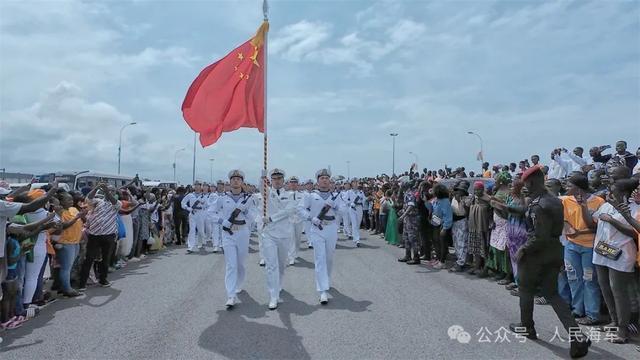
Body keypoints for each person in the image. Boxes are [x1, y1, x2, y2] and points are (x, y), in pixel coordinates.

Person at [509, 165, 591, 359]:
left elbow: (539, 236)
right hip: (554, 251)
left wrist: (523, 249)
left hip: (537, 253)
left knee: (526, 290)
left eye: (526, 183)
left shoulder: (539, 205)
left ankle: (527, 327)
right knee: (552, 294)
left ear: (531, 182)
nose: (525, 187)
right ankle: (577, 335)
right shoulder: (553, 200)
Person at [591, 177, 639, 343]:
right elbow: (594, 220)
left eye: (613, 190)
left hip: (621, 253)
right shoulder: (605, 205)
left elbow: (634, 232)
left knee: (619, 292)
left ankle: (623, 330)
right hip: (601, 251)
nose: (609, 192)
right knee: (605, 288)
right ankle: (614, 320)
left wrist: (612, 220)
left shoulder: (634, 208)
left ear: (624, 193)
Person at [561, 173, 604, 326]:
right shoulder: (566, 201)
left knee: (589, 280)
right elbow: (565, 220)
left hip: (589, 246)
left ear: (578, 187)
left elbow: (594, 226)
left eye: (569, 184)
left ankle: (592, 314)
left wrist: (583, 206)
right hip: (571, 246)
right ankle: (577, 309)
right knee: (573, 278)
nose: (566, 187)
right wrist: (569, 228)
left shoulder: (598, 202)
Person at [212, 170, 257, 308]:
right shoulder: (222, 198)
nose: (236, 181)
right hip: (228, 233)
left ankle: (239, 284)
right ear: (229, 182)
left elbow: (255, 217)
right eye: (233, 179)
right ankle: (231, 295)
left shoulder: (249, 198)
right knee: (231, 265)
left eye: (239, 178)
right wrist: (221, 221)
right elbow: (210, 212)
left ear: (242, 182)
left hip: (243, 232)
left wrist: (245, 210)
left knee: (240, 263)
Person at [297, 169, 340, 305]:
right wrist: (311, 217)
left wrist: (337, 206)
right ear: (317, 180)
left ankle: (326, 280)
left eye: (327, 178)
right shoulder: (311, 196)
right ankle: (322, 290)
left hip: (331, 227)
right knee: (320, 258)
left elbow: (344, 210)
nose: (325, 180)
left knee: (329, 257)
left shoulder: (336, 196)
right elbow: (300, 209)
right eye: (322, 178)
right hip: (317, 228)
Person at [258, 168, 296, 310]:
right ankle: (273, 295)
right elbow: (261, 187)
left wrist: (272, 218)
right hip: (270, 234)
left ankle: (278, 284)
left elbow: (289, 210)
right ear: (271, 181)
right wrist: (262, 175)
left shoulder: (291, 194)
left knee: (281, 264)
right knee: (271, 265)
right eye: (274, 178)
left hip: (284, 234)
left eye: (279, 178)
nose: (277, 180)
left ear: (283, 180)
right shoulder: (268, 193)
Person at [77, 182, 121, 289]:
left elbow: (114, 202)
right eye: (108, 190)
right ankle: (82, 284)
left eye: (112, 191)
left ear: (115, 193)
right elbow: (88, 198)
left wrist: (106, 191)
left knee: (105, 259)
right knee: (89, 259)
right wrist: (96, 187)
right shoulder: (98, 201)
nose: (109, 192)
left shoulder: (117, 203)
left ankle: (103, 280)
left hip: (108, 235)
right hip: (94, 235)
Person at [467, 182, 492, 277]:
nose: (477, 191)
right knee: (475, 249)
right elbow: (468, 206)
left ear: (483, 189)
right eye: (475, 189)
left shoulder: (487, 199)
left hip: (482, 227)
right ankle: (476, 266)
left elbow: (491, 210)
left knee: (483, 248)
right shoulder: (473, 198)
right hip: (473, 227)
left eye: (479, 189)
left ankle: (486, 268)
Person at [429, 183, 453, 269]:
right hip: (435, 223)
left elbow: (448, 216)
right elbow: (429, 205)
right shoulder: (436, 200)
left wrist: (445, 228)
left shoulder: (445, 201)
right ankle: (438, 259)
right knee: (436, 242)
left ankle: (442, 261)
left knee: (442, 244)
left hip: (442, 225)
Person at [397, 182, 420, 265]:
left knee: (413, 239)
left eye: (401, 186)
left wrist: (403, 215)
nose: (400, 187)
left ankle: (416, 257)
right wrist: (402, 212)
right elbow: (407, 206)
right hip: (408, 219)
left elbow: (411, 206)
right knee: (406, 238)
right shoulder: (406, 193)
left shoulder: (410, 193)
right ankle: (408, 256)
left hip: (412, 219)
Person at [181, 182, 207, 254]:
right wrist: (188, 208)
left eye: (198, 185)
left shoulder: (203, 196)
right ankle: (190, 246)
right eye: (196, 185)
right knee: (192, 230)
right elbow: (183, 203)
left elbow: (207, 205)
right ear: (194, 187)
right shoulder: (190, 195)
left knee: (201, 230)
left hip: (200, 214)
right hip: (192, 214)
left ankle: (201, 242)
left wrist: (202, 206)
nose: (197, 187)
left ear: (200, 187)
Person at [287, 176, 305, 266]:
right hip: (289, 219)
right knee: (291, 238)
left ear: (297, 184)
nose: (293, 184)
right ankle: (291, 256)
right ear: (289, 184)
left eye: (295, 182)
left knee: (298, 238)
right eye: (292, 182)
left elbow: (303, 206)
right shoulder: (285, 195)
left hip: (299, 219)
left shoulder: (302, 195)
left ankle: (296, 252)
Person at [347, 179, 365, 247]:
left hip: (359, 207)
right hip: (352, 208)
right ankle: (357, 239)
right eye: (354, 182)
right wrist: (350, 203)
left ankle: (355, 237)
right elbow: (346, 200)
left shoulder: (360, 192)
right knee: (354, 223)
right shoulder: (349, 192)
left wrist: (361, 202)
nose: (355, 183)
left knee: (358, 224)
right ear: (351, 184)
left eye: (356, 182)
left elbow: (364, 199)